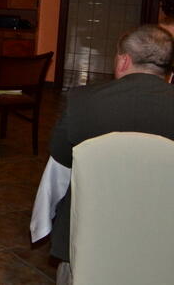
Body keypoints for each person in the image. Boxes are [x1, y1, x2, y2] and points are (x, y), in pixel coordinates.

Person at [48, 24, 174, 284]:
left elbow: (60, 157)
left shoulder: (82, 101)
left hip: (92, 233)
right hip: (164, 234)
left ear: (124, 60)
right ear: (167, 70)